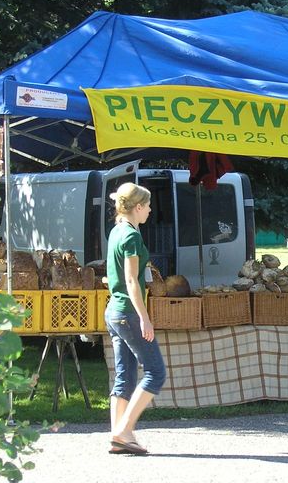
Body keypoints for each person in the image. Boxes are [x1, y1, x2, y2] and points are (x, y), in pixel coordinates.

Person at [105, 182, 166, 455]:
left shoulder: (117, 231)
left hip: (114, 311)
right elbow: (131, 281)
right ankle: (124, 431)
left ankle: (118, 436)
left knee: (125, 377)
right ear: (138, 207)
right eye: (148, 206)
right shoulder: (130, 236)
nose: (150, 210)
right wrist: (145, 318)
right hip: (128, 313)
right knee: (156, 372)